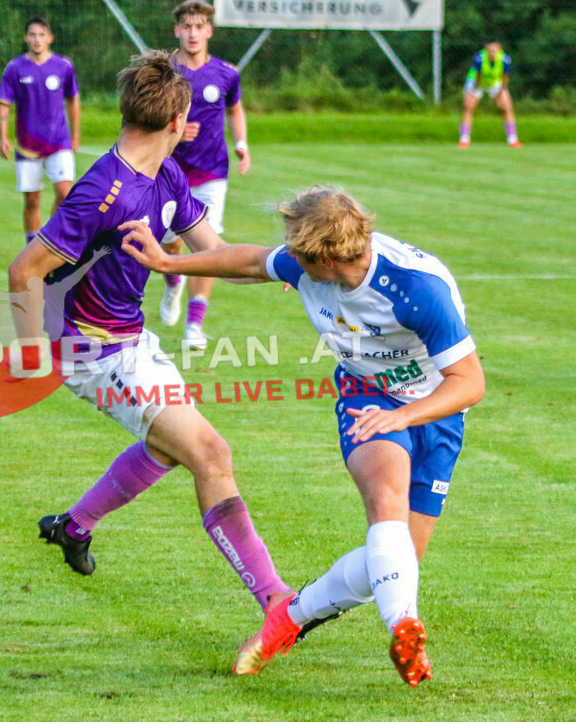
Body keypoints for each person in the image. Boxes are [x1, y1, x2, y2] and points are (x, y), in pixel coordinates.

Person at [120, 187, 485, 687]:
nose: (288, 259)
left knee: (396, 560)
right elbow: (249, 261)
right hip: (367, 395)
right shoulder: (304, 265)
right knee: (386, 502)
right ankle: (405, 627)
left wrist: (405, 417)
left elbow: (470, 382)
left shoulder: (416, 291)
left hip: (438, 406)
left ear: (329, 258)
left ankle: (288, 618)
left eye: (298, 252)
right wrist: (167, 262)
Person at [7, 50, 289, 614]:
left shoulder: (167, 173)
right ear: (175, 123)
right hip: (94, 352)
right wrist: (33, 352)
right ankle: (276, 601)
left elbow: (216, 252)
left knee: (166, 447)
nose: (195, 125)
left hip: (132, 341)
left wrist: (286, 265)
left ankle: (75, 526)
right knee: (210, 452)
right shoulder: (101, 190)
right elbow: (25, 270)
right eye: (190, 116)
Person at [158, 0, 250, 349]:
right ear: (177, 30)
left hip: (213, 171)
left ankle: (194, 326)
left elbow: (235, 108)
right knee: (172, 242)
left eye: (200, 26)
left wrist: (241, 143)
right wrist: (176, 131)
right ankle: (172, 284)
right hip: (169, 172)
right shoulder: (164, 71)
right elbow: (145, 120)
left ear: (209, 30)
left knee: (208, 245)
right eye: (187, 26)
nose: (193, 33)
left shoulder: (226, 72)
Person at [0, 16, 80, 244]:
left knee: (65, 195)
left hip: (59, 142)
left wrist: (75, 134)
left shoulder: (63, 66)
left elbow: (73, 99)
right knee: (32, 201)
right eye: (32, 34)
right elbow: (4, 104)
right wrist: (3, 136)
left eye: (41, 34)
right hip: (27, 147)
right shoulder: (15, 68)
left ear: (50, 38)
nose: (36, 39)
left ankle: (50, 238)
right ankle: (32, 246)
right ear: (26, 37)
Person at [459, 40, 520, 148]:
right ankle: (464, 138)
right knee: (469, 106)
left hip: (495, 82)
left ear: (499, 51)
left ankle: (513, 139)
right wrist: (473, 91)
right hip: (476, 82)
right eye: (490, 51)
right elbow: (478, 76)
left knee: (507, 106)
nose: (492, 53)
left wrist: (500, 93)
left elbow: (505, 78)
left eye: (495, 51)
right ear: (486, 51)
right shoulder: (479, 58)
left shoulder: (505, 60)